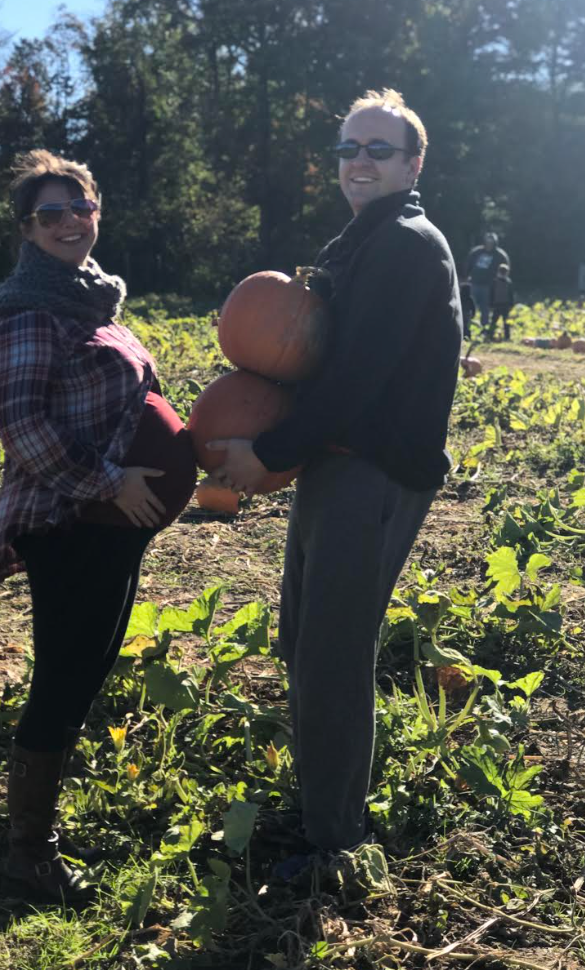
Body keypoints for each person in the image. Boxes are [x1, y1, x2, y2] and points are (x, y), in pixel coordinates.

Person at [209, 89, 462, 863]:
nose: (358, 161)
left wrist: (269, 451)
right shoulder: (364, 238)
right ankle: (328, 796)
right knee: (303, 640)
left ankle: (334, 842)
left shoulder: (407, 245)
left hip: (374, 472)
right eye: (349, 149)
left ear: (414, 162)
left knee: (330, 651)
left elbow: (354, 380)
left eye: (377, 150)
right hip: (336, 463)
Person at [0, 150, 196, 901]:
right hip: (69, 521)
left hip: (111, 524)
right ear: (27, 228)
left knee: (86, 669)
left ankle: (32, 838)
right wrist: (112, 481)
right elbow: (24, 432)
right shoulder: (27, 308)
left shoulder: (90, 298)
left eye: (81, 208)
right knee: (66, 677)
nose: (71, 222)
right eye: (51, 213)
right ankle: (27, 855)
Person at [465, 231, 510, 331]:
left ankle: (484, 329)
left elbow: (505, 269)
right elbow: (468, 264)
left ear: (494, 243)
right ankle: (467, 328)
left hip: (488, 286)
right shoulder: (476, 252)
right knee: (469, 307)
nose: (489, 244)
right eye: (487, 242)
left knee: (485, 309)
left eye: (491, 243)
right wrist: (467, 276)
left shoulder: (500, 255)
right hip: (474, 283)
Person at [488, 263, 515, 340]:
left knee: (505, 322)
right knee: (494, 321)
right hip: (498, 304)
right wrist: (491, 303)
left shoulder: (508, 282)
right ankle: (491, 335)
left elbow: (511, 294)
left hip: (504, 304)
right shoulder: (495, 282)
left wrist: (511, 304)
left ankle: (507, 336)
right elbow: (491, 293)